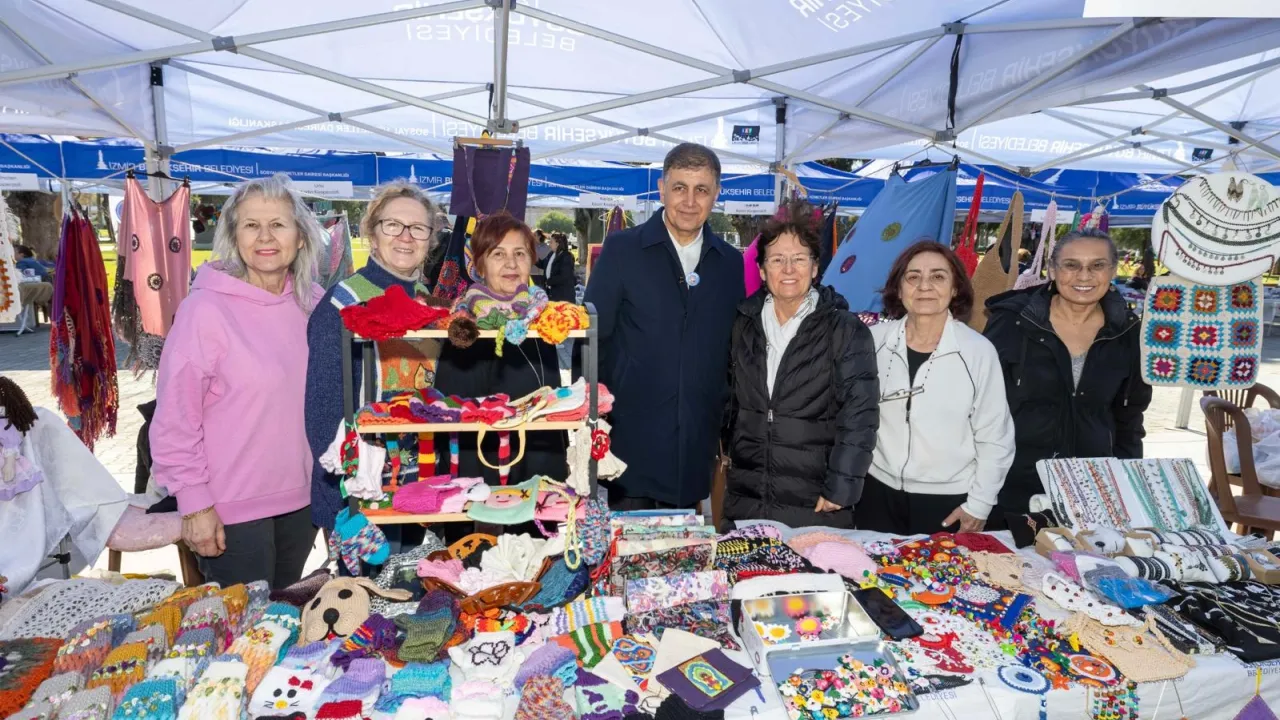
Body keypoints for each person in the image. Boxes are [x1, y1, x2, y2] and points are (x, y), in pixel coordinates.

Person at [150, 174, 325, 588]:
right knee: (244, 625)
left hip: (303, 504)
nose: (265, 236)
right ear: (234, 236)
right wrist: (194, 503)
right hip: (229, 510)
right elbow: (175, 417)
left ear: (301, 237)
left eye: (278, 224)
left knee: (285, 614)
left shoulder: (314, 304)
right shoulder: (204, 310)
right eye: (251, 225)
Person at [586, 142, 745, 510]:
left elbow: (732, 351)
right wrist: (595, 416)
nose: (689, 201)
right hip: (631, 442)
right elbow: (593, 341)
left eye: (701, 189)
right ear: (661, 189)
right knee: (628, 543)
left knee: (685, 542)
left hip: (695, 444)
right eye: (679, 187)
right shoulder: (623, 250)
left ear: (716, 194)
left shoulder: (730, 263)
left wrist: (724, 421)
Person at [723, 201, 879, 528]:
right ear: (762, 270)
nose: (789, 269)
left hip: (816, 501)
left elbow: (860, 415)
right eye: (777, 259)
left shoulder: (845, 330)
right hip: (748, 495)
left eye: (799, 258)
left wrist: (842, 485)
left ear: (815, 267)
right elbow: (729, 401)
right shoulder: (742, 324)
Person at [305, 182, 442, 538]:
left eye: (418, 228)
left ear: (430, 239)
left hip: (419, 484)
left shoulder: (427, 300)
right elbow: (322, 412)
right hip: (361, 490)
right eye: (392, 225)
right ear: (372, 233)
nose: (406, 237)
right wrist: (344, 502)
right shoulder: (343, 302)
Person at [984, 229, 1152, 518]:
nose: (1084, 276)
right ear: (1052, 269)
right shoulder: (1012, 322)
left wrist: (1126, 482)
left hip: (1092, 489)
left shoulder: (1129, 333)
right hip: (1010, 486)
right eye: (1071, 265)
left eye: (1097, 265)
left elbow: (1130, 418)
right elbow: (978, 406)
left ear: (1113, 271)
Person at [857, 242, 1015, 535]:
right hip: (876, 493)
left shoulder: (978, 352)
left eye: (938, 276)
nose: (924, 286)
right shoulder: (872, 341)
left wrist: (979, 505)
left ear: (955, 288)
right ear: (899, 289)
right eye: (913, 277)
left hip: (947, 501)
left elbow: (996, 437)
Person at [433, 213, 567, 486]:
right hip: (484, 476)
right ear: (480, 265)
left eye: (520, 253)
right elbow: (453, 420)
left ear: (531, 260)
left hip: (540, 470)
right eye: (498, 254)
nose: (511, 263)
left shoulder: (541, 319)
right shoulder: (465, 327)